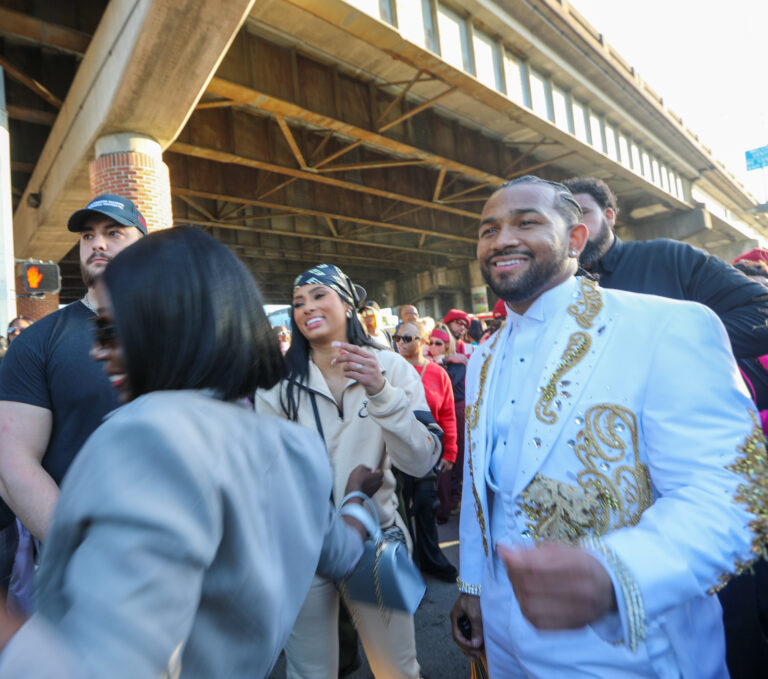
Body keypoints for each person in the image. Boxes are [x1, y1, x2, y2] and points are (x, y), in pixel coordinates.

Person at [0, 226, 382, 677]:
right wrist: (357, 501)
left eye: (112, 328)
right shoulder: (292, 445)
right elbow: (337, 550)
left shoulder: (148, 437)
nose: (98, 351)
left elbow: (102, 665)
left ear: (168, 323)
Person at [450, 175, 768, 678]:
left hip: (632, 646)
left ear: (576, 240)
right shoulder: (484, 356)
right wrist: (472, 588)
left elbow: (735, 492)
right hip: (505, 638)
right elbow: (479, 491)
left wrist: (614, 574)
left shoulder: (666, 326)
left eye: (526, 222)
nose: (503, 239)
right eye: (489, 230)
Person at [564, 175, 768, 677]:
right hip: (610, 492)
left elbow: (760, 310)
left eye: (583, 214)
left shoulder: (668, 259)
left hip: (692, 476)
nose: (575, 229)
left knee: (729, 610)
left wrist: (678, 350)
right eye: (561, 220)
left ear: (609, 217)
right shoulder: (554, 294)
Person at [256, 263, 442, 679]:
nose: (306, 307)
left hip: (376, 545)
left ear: (348, 304)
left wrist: (381, 393)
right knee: (309, 672)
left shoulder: (391, 368)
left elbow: (423, 460)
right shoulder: (277, 383)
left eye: (319, 295)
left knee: (397, 669)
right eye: (298, 301)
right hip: (304, 550)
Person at [393, 319, 458, 582]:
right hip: (396, 452)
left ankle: (431, 559)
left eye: (407, 338)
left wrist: (450, 452)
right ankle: (406, 566)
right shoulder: (390, 369)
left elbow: (448, 415)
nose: (401, 343)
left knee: (426, 506)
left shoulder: (438, 374)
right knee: (399, 511)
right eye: (398, 338)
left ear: (423, 341)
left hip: (428, 452)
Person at [428, 324, 467, 524]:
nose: (433, 347)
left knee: (455, 458)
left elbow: (448, 383)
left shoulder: (456, 364)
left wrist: (440, 365)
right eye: (431, 343)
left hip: (458, 410)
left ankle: (453, 499)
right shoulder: (431, 364)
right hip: (438, 413)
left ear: (446, 345)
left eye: (438, 343)